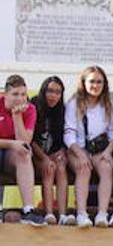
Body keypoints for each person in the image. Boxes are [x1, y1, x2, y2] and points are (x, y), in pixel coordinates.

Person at [63, 65, 113, 227]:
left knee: (107, 168)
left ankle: (102, 213)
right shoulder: (74, 103)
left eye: (99, 82)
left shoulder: (107, 105)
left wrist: (108, 152)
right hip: (77, 148)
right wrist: (80, 154)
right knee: (83, 169)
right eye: (92, 81)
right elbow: (69, 133)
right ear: (84, 83)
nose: (96, 86)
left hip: (100, 149)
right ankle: (81, 213)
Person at [0, 75, 40, 224]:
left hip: (11, 155)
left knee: (24, 153)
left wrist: (17, 116)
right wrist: (11, 144)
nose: (20, 98)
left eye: (23, 94)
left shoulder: (30, 109)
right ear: (5, 95)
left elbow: (24, 142)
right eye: (15, 94)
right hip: (5, 147)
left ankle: (29, 210)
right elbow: (15, 144)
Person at [31, 76, 69, 224]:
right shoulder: (33, 105)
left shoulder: (62, 110)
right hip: (35, 153)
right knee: (49, 168)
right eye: (50, 91)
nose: (54, 96)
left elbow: (64, 136)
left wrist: (62, 152)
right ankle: (49, 213)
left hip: (53, 152)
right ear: (43, 90)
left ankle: (63, 215)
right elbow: (30, 139)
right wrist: (44, 158)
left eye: (58, 92)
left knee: (60, 167)